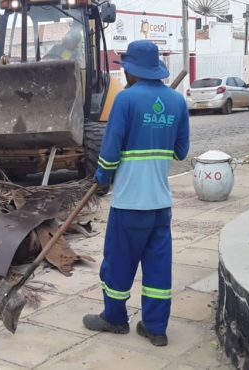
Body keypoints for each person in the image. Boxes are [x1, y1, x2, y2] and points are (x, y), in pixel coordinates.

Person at [82, 40, 190, 347]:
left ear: (131, 70)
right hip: (160, 205)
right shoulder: (176, 102)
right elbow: (181, 151)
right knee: (158, 266)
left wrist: (102, 178)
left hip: (129, 203)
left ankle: (114, 318)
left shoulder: (126, 100)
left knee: (118, 263)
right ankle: (156, 328)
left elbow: (110, 151)